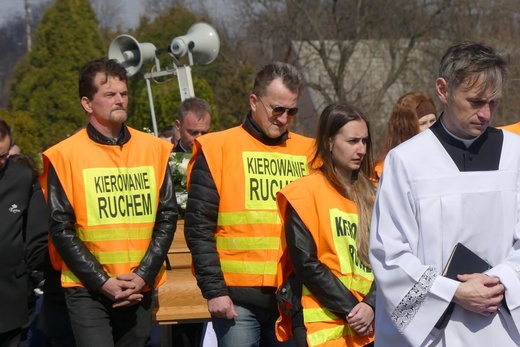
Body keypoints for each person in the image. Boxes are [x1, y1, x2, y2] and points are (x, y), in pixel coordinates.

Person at [369, 41, 520, 346]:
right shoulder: (406, 161)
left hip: (502, 326)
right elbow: (390, 254)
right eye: (476, 101)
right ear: (443, 90)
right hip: (435, 335)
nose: (486, 113)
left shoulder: (515, 154)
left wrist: (502, 279)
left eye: (494, 102)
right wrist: (452, 292)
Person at [39, 57, 178, 347]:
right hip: (87, 288)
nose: (120, 100)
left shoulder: (154, 149)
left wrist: (143, 275)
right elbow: (61, 228)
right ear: (88, 104)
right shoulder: (65, 155)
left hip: (138, 286)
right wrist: (102, 281)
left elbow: (166, 216)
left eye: (124, 94)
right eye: (110, 94)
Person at [184, 61, 315, 347]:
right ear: (254, 101)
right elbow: (198, 229)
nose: (284, 118)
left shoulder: (309, 152)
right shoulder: (217, 148)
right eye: (277, 109)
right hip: (235, 300)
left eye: (292, 111)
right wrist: (214, 291)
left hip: (292, 299)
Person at [276, 103, 376, 347]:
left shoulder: (376, 194)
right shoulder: (304, 193)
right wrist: (354, 309)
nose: (361, 149)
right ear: (329, 142)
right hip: (322, 322)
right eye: (352, 141)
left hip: (370, 321)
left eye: (364, 141)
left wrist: (372, 305)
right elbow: (306, 264)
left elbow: (391, 257)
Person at [0, 119, 48, 347]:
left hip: (12, 297)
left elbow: (36, 236)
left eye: (3, 155)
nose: (0, 162)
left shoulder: (22, 178)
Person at [374, 92, 437, 179]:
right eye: (422, 123)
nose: (430, 128)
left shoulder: (443, 158)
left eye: (433, 121)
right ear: (407, 129)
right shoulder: (387, 169)